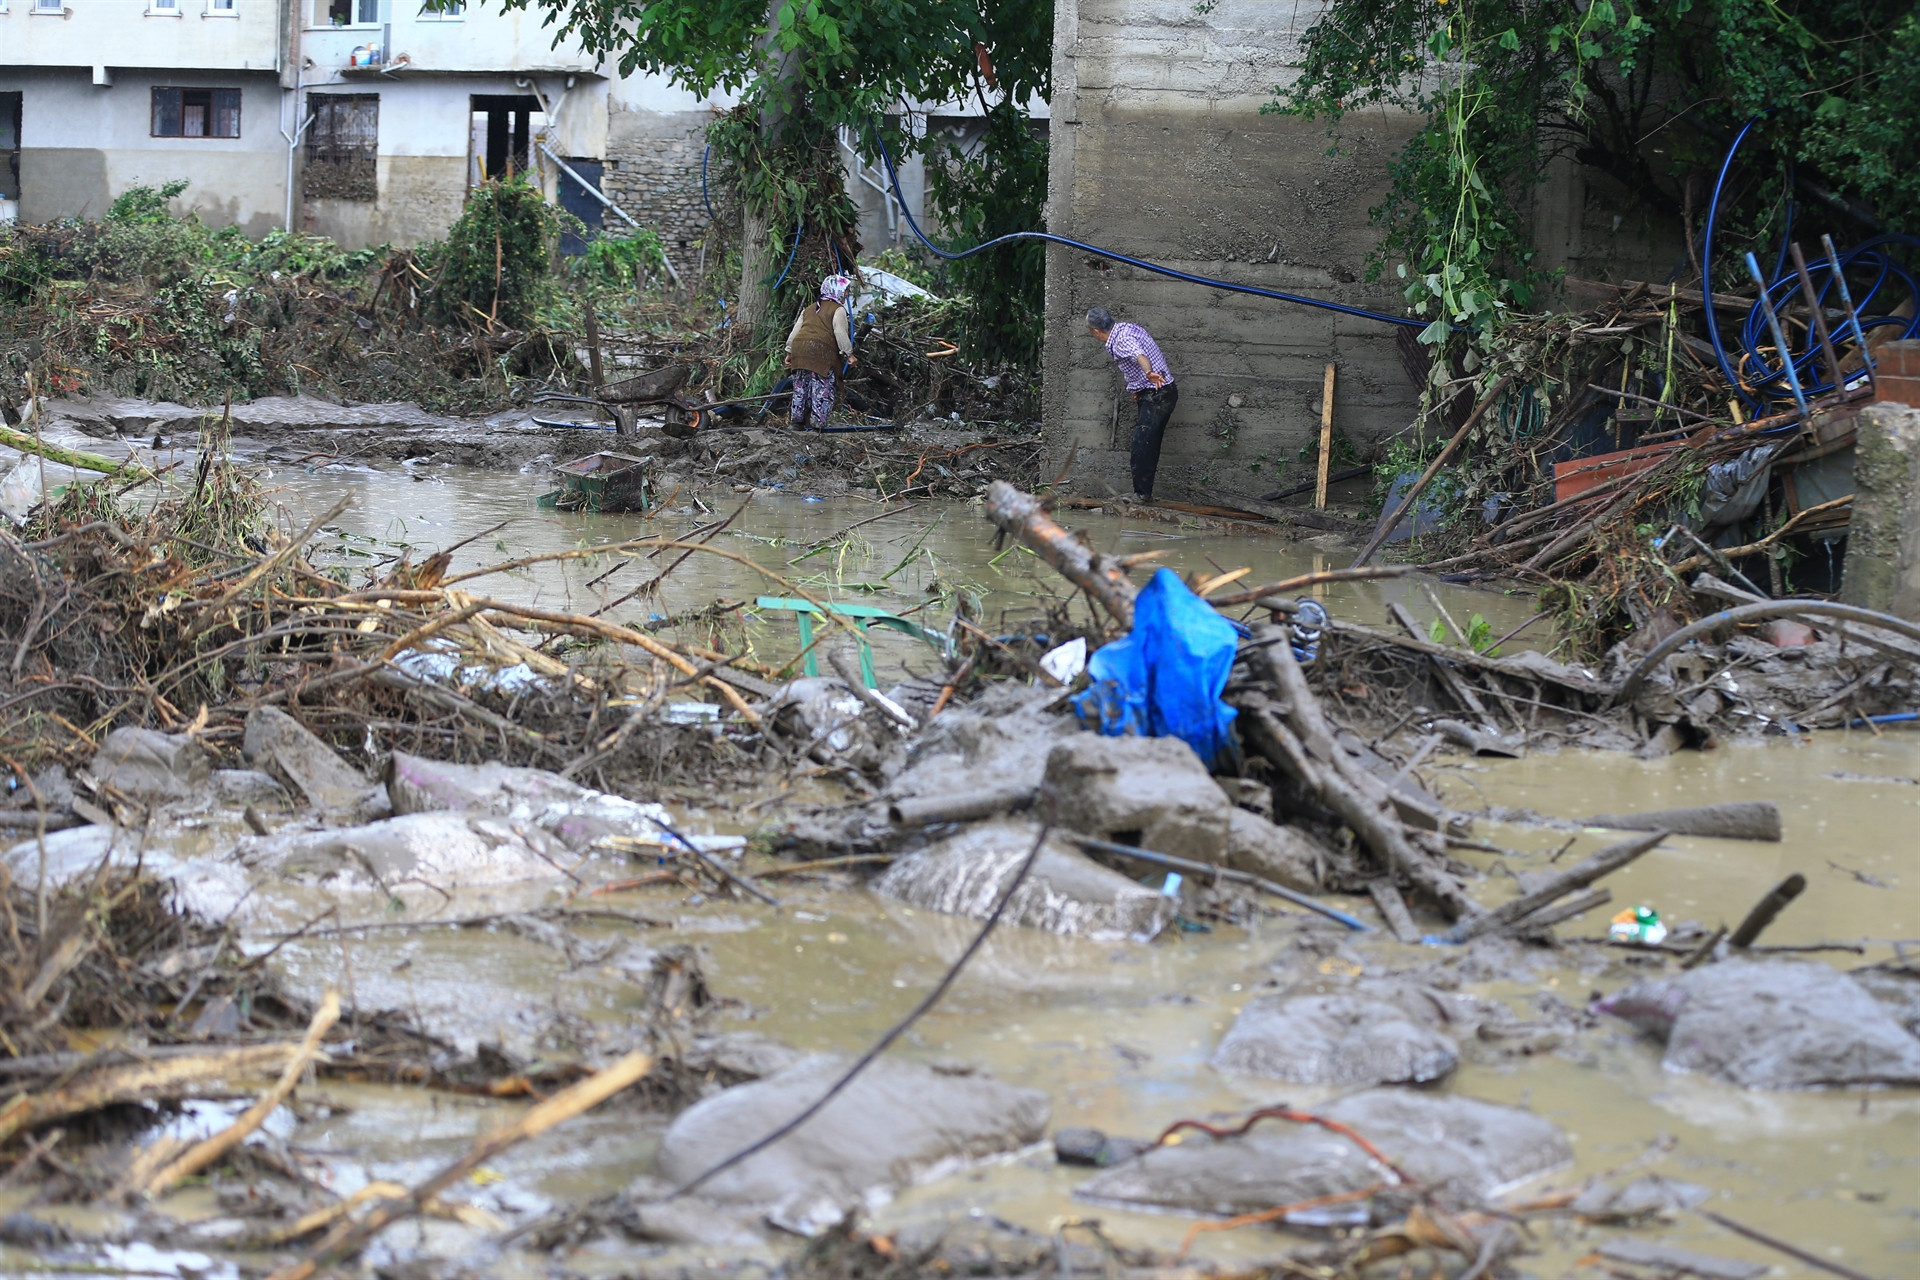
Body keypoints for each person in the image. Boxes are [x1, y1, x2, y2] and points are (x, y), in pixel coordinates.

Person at [1086, 306, 1177, 501]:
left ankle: (1142, 495)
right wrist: (1138, 388)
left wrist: (1148, 374)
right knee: (1149, 443)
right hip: (1157, 391)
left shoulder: (1120, 341)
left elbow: (1138, 355)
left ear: (1095, 331)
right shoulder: (1126, 328)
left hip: (1157, 393)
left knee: (1141, 444)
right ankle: (1144, 493)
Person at [784, 274, 856, 430]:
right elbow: (840, 333)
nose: (847, 295)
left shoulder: (809, 309)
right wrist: (849, 353)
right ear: (836, 290)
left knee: (801, 386)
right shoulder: (838, 310)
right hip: (821, 351)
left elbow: (796, 331)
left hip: (800, 349)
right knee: (822, 388)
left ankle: (796, 423)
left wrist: (790, 352)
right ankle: (817, 424)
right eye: (845, 291)